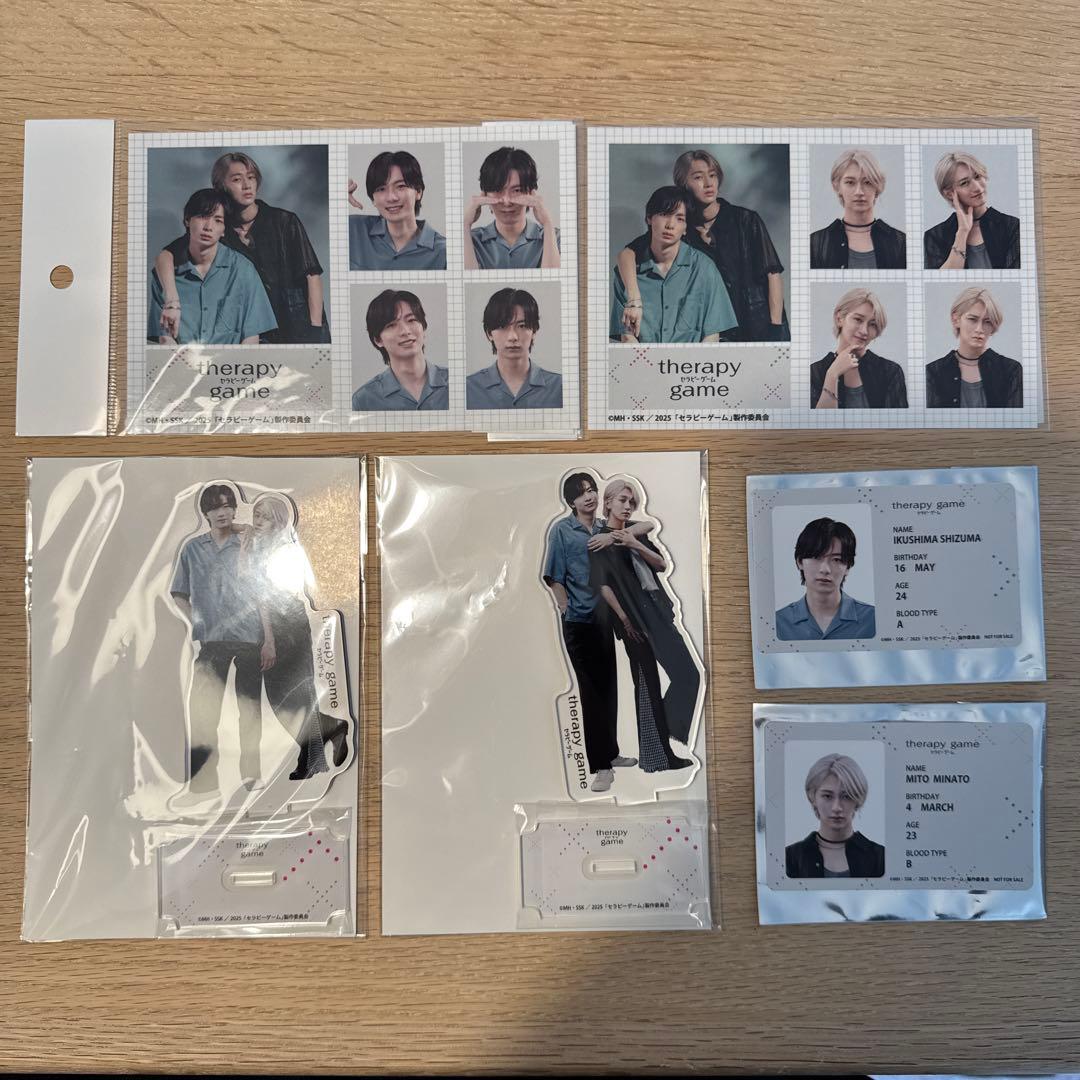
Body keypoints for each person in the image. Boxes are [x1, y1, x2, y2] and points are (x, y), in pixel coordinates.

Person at [543, 472, 656, 794]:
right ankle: (601, 767)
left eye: (592, 490)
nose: (590, 496)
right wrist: (565, 608)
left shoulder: (604, 528)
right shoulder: (562, 530)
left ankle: (611, 752)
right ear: (571, 501)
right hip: (579, 622)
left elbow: (647, 525)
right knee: (591, 693)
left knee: (609, 688)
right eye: (582, 493)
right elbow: (553, 576)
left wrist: (612, 537)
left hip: (605, 619)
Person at [154, 151, 330, 343]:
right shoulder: (218, 227)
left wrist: (315, 330)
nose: (247, 185)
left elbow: (312, 276)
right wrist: (172, 301)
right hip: (254, 333)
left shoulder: (284, 221)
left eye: (251, 177)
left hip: (299, 328)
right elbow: (166, 255)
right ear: (221, 186)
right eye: (237, 179)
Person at [589, 479, 699, 782]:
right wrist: (624, 620)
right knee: (647, 684)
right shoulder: (598, 541)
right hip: (632, 620)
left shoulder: (634, 532)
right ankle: (658, 757)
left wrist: (632, 542)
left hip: (658, 612)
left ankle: (664, 737)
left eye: (632, 502)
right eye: (622, 500)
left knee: (689, 675)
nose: (628, 506)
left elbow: (661, 565)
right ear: (608, 502)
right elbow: (603, 586)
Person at [617, 151, 787, 341]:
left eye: (712, 175)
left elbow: (772, 275)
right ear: (683, 184)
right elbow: (627, 254)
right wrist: (634, 299)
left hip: (759, 326)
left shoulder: (746, 220)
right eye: (698, 177)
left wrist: (775, 328)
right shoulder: (680, 227)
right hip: (713, 332)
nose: (708, 183)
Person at [242, 494, 350, 780]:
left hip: (284, 627)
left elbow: (266, 599)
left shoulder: (284, 550)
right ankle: (328, 730)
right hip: (280, 624)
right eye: (256, 515)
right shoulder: (259, 547)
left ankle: (313, 751)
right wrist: (246, 545)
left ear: (279, 521)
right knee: (288, 696)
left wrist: (269, 640)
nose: (258, 521)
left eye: (266, 517)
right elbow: (247, 584)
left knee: (289, 696)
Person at [169, 483, 264, 804]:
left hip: (249, 637)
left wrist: (243, 531)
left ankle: (252, 776)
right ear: (205, 513)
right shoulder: (192, 549)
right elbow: (178, 593)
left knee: (249, 711)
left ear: (234, 509)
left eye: (227, 506)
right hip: (211, 641)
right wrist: (197, 621)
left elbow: (264, 587)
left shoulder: (248, 543)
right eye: (215, 507)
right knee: (203, 712)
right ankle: (204, 787)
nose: (222, 512)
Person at [148, 188, 277, 346]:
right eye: (203, 216)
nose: (208, 227)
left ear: (224, 230)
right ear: (187, 220)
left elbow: (251, 339)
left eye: (218, 220)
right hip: (184, 360)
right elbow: (165, 338)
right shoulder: (166, 275)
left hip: (232, 361)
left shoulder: (243, 270)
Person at [610, 185, 738, 344]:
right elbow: (628, 338)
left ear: (685, 228)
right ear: (649, 218)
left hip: (692, 360)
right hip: (645, 359)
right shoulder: (628, 273)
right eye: (664, 214)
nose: (670, 225)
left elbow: (711, 337)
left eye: (680, 219)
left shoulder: (704, 269)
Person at [775, 518, 876, 641]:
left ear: (848, 567)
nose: (825, 569)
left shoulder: (872, 619)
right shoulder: (778, 622)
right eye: (816, 557)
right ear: (799, 562)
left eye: (836, 560)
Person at [786, 753, 885, 878]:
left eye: (846, 796)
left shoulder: (880, 857)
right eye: (827, 796)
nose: (836, 807)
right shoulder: (790, 858)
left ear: (858, 799)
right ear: (812, 798)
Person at [348, 150, 447, 271]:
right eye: (381, 189)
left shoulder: (444, 252)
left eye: (401, 186)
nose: (391, 197)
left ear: (418, 192)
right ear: (373, 199)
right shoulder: (352, 229)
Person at [810, 288, 908, 409]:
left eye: (872, 324)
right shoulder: (814, 372)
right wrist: (832, 375)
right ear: (839, 319)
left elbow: (898, 420)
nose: (864, 331)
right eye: (858, 319)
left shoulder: (890, 372)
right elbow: (820, 420)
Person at [352, 289, 449, 411]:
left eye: (411, 320)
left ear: (423, 328)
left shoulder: (459, 384)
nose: (405, 331)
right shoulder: (363, 400)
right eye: (391, 325)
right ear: (378, 340)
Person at [925, 286, 1023, 408]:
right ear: (956, 320)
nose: (979, 329)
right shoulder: (933, 372)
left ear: (994, 326)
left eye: (987, 322)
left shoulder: (1011, 370)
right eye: (972, 319)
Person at [464, 146, 560, 269]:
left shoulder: (555, 237)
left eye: (516, 190)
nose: (507, 201)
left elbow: (553, 278)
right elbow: (465, 277)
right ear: (484, 195)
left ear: (531, 193)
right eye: (498, 190)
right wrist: (465, 224)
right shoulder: (470, 239)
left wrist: (547, 222)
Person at [810, 149, 907, 270]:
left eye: (867, 182)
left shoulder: (900, 242)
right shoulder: (816, 243)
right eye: (850, 182)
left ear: (878, 187)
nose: (859, 192)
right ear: (837, 186)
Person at [466, 288, 562, 409]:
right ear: (489, 334)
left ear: (534, 331)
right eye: (502, 326)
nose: (513, 337)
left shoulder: (559, 387)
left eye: (522, 326)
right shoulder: (469, 388)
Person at [924, 151, 1021, 270]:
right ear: (949, 193)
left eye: (977, 176)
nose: (977, 188)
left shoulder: (1012, 226)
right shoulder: (935, 236)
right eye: (964, 183)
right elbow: (942, 278)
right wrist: (963, 231)